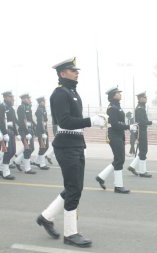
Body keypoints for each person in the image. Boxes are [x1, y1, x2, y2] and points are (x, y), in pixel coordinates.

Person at [36, 57, 106, 248]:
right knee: (74, 188)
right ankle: (71, 233)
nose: (77, 72)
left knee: (74, 187)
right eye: (73, 70)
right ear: (62, 73)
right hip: (66, 146)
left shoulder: (72, 92)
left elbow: (74, 121)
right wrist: (91, 121)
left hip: (75, 144)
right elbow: (65, 121)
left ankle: (45, 217)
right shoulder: (60, 93)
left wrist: (92, 120)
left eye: (76, 70)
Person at [95, 87, 137, 194]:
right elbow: (114, 124)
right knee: (120, 160)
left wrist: (128, 126)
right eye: (118, 93)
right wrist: (128, 126)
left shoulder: (117, 106)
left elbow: (120, 122)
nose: (120, 94)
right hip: (113, 135)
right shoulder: (112, 108)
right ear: (113, 95)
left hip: (118, 135)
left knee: (119, 159)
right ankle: (118, 186)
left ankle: (101, 177)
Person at [126, 91, 157, 178]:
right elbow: (142, 122)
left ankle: (132, 166)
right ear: (140, 98)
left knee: (143, 151)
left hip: (141, 131)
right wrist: (152, 122)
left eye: (146, 97)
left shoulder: (141, 107)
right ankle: (142, 171)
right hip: (141, 131)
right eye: (144, 97)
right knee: (144, 150)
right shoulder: (140, 108)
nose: (146, 98)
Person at [15, 93, 36, 172]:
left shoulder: (28, 107)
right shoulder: (21, 108)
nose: (29, 100)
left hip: (29, 130)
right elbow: (23, 121)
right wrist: (27, 132)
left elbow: (30, 119)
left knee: (32, 148)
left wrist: (35, 126)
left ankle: (17, 161)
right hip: (24, 131)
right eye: (28, 98)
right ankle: (27, 169)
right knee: (27, 149)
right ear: (23, 99)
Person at [33, 96, 50, 170]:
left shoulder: (43, 109)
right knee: (43, 147)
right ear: (40, 102)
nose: (45, 102)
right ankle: (42, 164)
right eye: (43, 101)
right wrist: (43, 132)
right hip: (41, 131)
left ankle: (37, 161)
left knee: (46, 146)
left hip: (44, 130)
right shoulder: (40, 110)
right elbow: (40, 122)